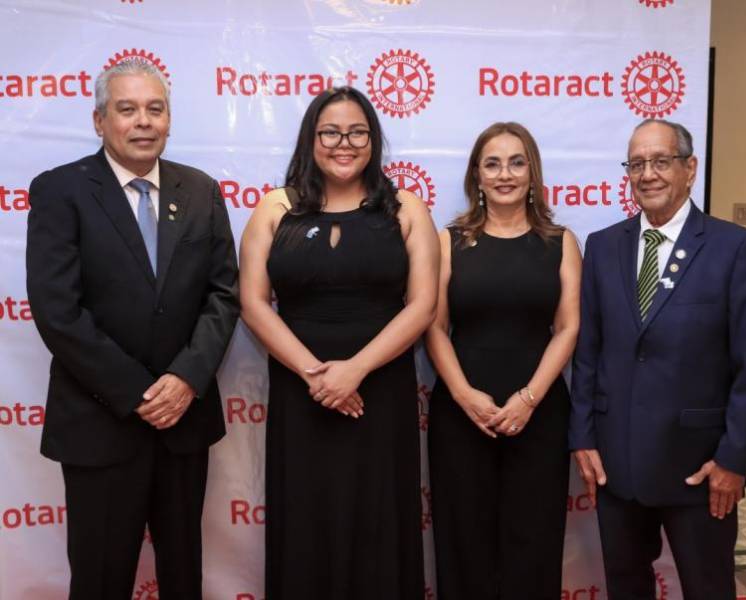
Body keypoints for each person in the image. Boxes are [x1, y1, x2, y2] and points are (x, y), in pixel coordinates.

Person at [25, 58, 239, 599]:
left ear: (168, 119)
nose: (143, 121)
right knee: (100, 579)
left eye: (155, 108)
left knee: (183, 577)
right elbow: (58, 310)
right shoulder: (60, 190)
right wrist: (138, 391)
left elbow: (224, 293)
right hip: (100, 423)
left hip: (182, 422)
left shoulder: (201, 191)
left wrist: (186, 379)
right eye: (127, 109)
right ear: (100, 121)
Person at [239, 86, 438, 600]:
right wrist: (316, 374)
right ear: (311, 139)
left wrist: (354, 371)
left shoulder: (407, 208)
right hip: (300, 392)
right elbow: (254, 302)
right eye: (330, 132)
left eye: (357, 132)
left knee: (379, 520)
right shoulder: (273, 209)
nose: (343, 143)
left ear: (373, 140)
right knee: (305, 519)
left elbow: (422, 306)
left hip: (382, 392)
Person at [570, 119, 746, 599]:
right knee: (626, 588)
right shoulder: (603, 247)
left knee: (708, 589)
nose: (648, 174)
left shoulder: (736, 249)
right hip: (616, 468)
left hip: (701, 471)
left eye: (660, 161)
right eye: (636, 164)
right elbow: (588, 353)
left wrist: (734, 460)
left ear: (689, 168)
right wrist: (583, 437)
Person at [425, 122, 581, 600]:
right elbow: (432, 325)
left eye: (516, 162)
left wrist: (529, 399)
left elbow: (568, 328)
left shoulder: (560, 241)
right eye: (492, 163)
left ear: (532, 172)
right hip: (461, 414)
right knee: (463, 543)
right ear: (477, 174)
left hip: (538, 415)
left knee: (532, 544)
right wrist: (463, 395)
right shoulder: (448, 240)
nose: (505, 174)